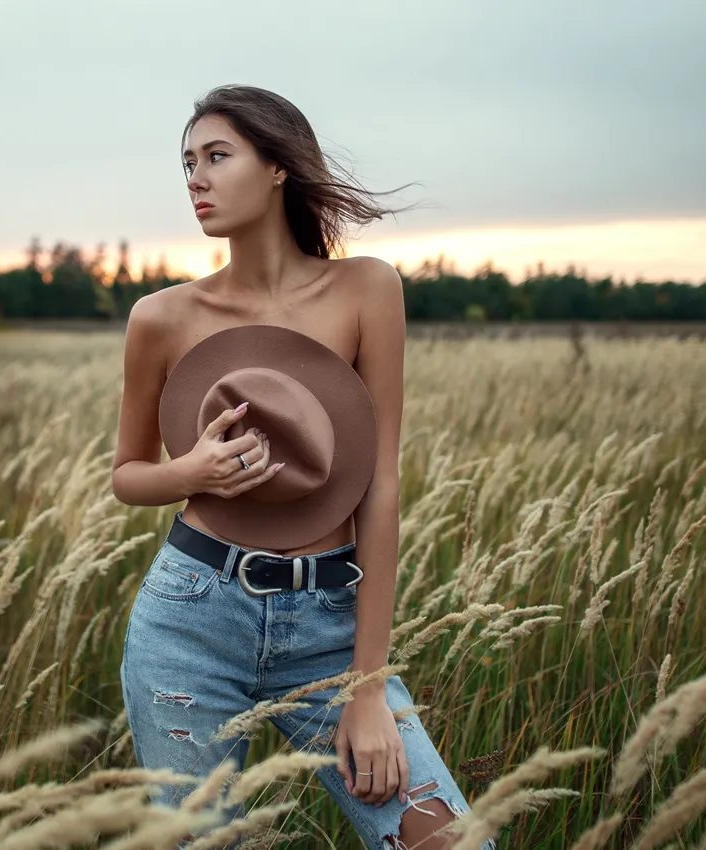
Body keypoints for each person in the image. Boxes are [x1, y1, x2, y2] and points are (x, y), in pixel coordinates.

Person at [111, 84, 493, 850]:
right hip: (191, 617)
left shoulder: (366, 289)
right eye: (187, 162)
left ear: (280, 166)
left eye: (218, 156)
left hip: (329, 625)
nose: (196, 178)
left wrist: (367, 689)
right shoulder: (162, 317)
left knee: (451, 844)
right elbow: (128, 475)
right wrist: (195, 473)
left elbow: (380, 488)